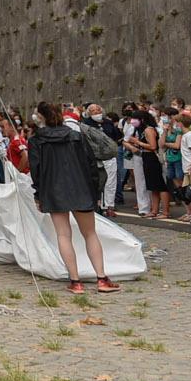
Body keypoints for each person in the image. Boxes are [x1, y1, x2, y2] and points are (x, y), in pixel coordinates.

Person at [26, 102, 121, 295]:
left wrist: (38, 193)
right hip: (81, 187)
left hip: (53, 190)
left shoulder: (36, 140)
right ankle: (101, 278)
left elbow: (36, 171)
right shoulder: (76, 136)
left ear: (41, 118)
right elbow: (91, 165)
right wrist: (94, 191)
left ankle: (75, 281)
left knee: (63, 235)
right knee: (90, 233)